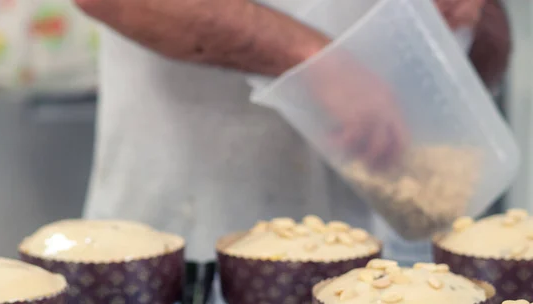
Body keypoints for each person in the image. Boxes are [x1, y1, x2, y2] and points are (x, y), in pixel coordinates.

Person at [75, 0, 511, 261]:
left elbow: (490, 48)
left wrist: (474, 15)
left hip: (380, 252)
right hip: (184, 243)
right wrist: (318, 63)